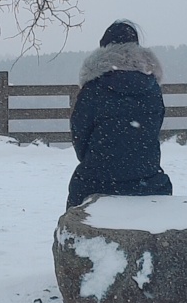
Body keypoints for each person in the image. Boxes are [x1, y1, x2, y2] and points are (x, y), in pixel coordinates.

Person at [65, 20, 173, 209]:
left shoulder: (93, 88)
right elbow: (152, 131)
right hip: (148, 182)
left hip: (96, 181)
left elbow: (80, 137)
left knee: (78, 195)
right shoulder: (152, 89)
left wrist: (99, 160)